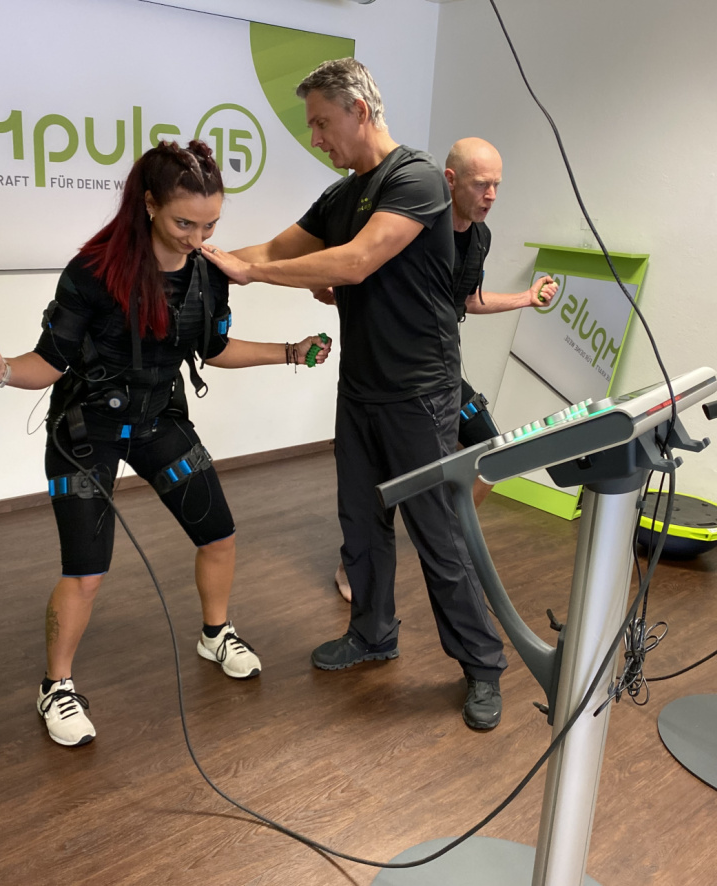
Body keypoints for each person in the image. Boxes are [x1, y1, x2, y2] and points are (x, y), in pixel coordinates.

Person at [0, 141, 331, 748]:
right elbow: (48, 363)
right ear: (150, 204)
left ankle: (215, 634)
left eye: (211, 225)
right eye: (185, 224)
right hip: (87, 429)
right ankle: (55, 685)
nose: (198, 238)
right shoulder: (93, 271)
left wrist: (289, 352)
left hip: (160, 419)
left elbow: (213, 349)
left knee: (219, 536)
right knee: (86, 572)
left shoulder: (209, 272)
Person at [202, 59, 507, 730]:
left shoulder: (415, 179)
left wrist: (256, 273)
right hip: (361, 388)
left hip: (420, 392)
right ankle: (372, 634)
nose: (315, 138)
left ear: (359, 111)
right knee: (361, 524)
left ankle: (482, 665)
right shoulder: (342, 196)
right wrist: (200, 258)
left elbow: (356, 261)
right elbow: (273, 248)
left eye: (320, 123)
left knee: (436, 534)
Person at [332, 137, 558, 602]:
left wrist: (526, 298)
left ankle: (444, 543)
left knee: (493, 452)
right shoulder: (409, 226)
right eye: (481, 185)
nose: (490, 195)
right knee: (382, 475)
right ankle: (354, 561)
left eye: (497, 185)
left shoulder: (480, 237)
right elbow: (361, 273)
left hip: (440, 373)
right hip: (390, 374)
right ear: (450, 181)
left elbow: (467, 300)